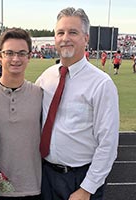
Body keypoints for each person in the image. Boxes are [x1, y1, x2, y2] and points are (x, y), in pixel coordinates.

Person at [35, 7, 119, 200]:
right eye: (60, 33)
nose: (65, 38)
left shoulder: (101, 84)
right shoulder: (47, 77)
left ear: (86, 38)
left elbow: (108, 144)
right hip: (46, 175)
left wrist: (87, 189)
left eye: (73, 32)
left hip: (79, 179)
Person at [0, 28, 42, 200]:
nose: (16, 59)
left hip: (32, 188)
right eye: (9, 53)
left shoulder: (40, 94)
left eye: (22, 53)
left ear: (29, 56)